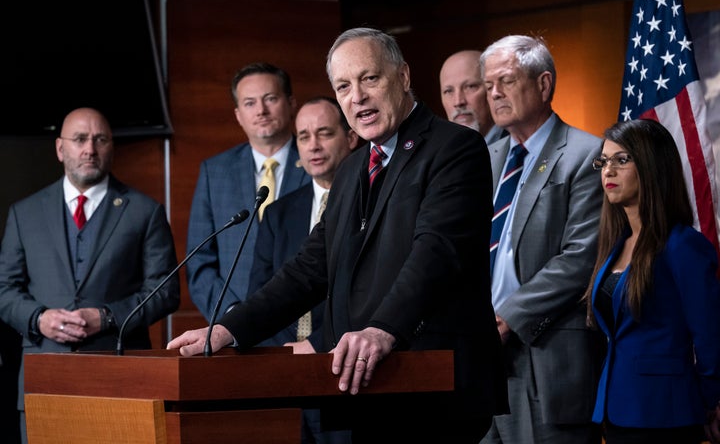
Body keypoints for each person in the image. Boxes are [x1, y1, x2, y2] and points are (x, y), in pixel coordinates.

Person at [168, 27, 508, 443]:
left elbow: (436, 253)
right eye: (343, 86)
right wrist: (228, 330)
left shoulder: (455, 148)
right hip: (367, 387)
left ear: (402, 77)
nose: (357, 96)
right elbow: (309, 268)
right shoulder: (352, 168)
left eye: (370, 78)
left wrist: (382, 329)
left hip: (433, 384)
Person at [0, 107, 180, 444]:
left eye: (100, 140)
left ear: (112, 147)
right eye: (80, 139)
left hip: (120, 375)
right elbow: (3, 289)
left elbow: (165, 290)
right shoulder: (24, 213)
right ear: (60, 148)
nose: (90, 149)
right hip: (44, 378)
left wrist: (108, 317)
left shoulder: (145, 211)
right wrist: (38, 318)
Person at [479, 35, 605, 444]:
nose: (493, 92)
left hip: (545, 355)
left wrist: (507, 317)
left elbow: (580, 258)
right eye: (488, 85)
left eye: (506, 80)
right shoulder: (487, 156)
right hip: (482, 358)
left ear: (544, 84)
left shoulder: (586, 154)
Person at [583, 118, 720, 444]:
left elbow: (711, 337)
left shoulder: (683, 245)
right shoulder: (615, 244)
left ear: (652, 165)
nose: (608, 171)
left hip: (665, 413)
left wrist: (710, 401)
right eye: (603, 161)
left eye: (621, 160)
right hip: (615, 409)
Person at [248, 96, 358, 443]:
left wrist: (315, 345)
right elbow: (263, 293)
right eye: (304, 136)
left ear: (351, 137)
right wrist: (285, 357)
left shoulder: (370, 206)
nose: (313, 145)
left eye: (324, 133)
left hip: (345, 373)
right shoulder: (279, 212)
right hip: (285, 379)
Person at [186, 62, 311, 321]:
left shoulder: (318, 163)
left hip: (303, 322)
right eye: (250, 103)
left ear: (291, 103)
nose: (261, 111)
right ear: (238, 115)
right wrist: (233, 314)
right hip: (234, 325)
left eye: (270, 99)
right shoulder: (214, 171)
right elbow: (199, 261)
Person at [439, 49, 504, 144]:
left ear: (492, 89)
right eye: (448, 91)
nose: (458, 102)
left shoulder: (518, 149)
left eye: (470, 87)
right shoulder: (440, 154)